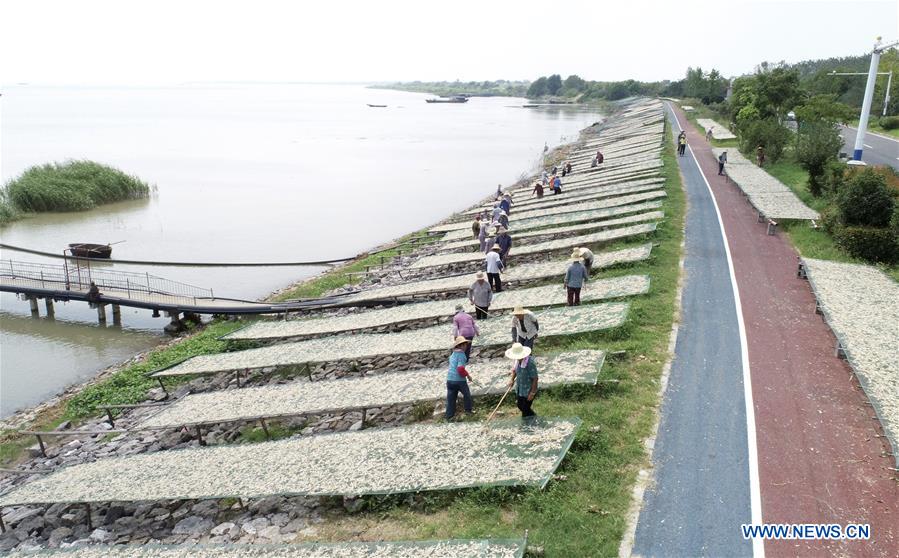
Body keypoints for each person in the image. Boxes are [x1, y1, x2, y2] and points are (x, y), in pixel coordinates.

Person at [506, 343, 538, 418]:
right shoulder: (517, 361)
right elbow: (514, 370)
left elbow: (535, 378)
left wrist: (532, 393)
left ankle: (531, 420)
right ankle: (532, 417)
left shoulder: (530, 363)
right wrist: (512, 380)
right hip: (520, 388)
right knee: (520, 405)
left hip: (528, 390)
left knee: (525, 409)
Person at [446, 336, 474, 420]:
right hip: (459, 380)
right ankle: (468, 411)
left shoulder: (453, 354)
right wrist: (468, 376)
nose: (466, 346)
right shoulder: (461, 355)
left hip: (449, 379)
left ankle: (449, 415)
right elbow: (460, 368)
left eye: (465, 344)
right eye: (464, 345)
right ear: (460, 346)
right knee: (467, 395)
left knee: (451, 397)